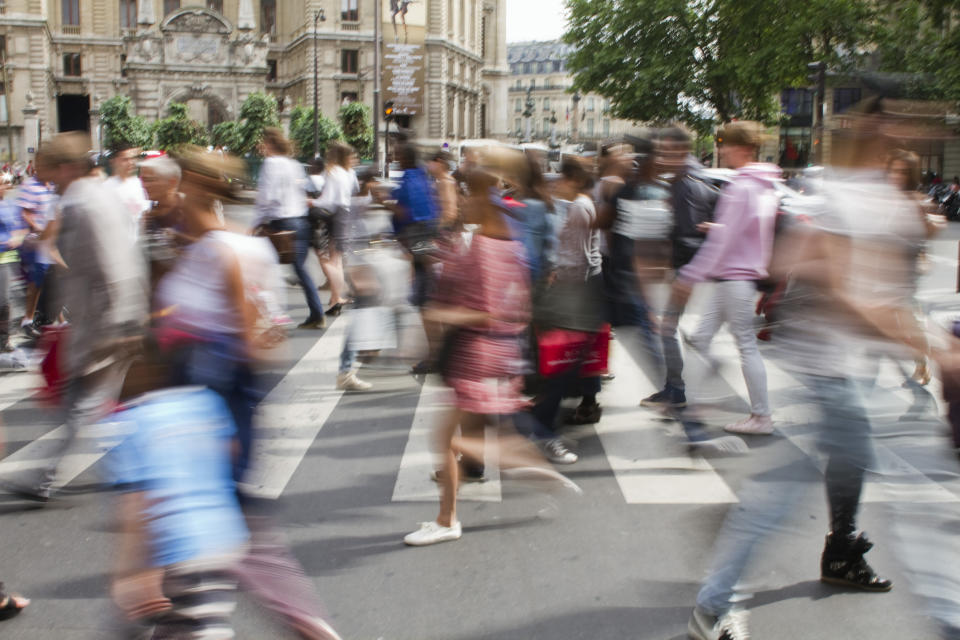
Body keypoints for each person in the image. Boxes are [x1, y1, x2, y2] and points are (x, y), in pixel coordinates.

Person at [687, 105, 952, 640]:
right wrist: (928, 343)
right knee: (903, 494)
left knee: (847, 483)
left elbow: (794, 262)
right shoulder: (844, 197)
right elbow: (836, 284)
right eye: (895, 128)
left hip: (848, 367)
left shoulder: (852, 196)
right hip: (834, 369)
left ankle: (738, 588)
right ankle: (717, 598)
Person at [404, 156, 579, 547]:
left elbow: (485, 311)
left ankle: (449, 518)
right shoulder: (509, 245)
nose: (462, 202)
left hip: (475, 354)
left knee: (452, 441)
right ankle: (526, 476)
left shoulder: (483, 248)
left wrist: (440, 311)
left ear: (481, 199)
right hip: (501, 352)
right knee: (475, 437)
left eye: (466, 195)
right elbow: (518, 306)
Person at [3, 132, 148, 502]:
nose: (45, 177)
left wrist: (125, 324)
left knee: (83, 404)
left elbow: (114, 264)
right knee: (87, 403)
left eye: (49, 169)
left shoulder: (85, 203)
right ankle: (51, 477)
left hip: (106, 322)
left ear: (66, 167)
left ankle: (48, 477)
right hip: (103, 319)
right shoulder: (89, 197)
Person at [671, 121, 779, 435]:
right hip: (736, 276)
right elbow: (747, 232)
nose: (721, 149)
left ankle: (761, 416)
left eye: (726, 144)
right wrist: (718, 229)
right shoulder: (762, 185)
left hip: (733, 278)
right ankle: (694, 404)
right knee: (701, 339)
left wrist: (689, 276)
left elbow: (724, 242)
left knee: (744, 345)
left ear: (744, 148)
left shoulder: (743, 187)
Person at [641, 126, 721, 412]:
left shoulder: (683, 185)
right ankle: (691, 374)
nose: (665, 157)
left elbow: (687, 232)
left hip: (686, 268)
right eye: (663, 151)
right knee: (674, 328)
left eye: (671, 151)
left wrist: (680, 274)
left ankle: (676, 389)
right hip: (698, 268)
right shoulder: (693, 179)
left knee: (666, 328)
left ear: (684, 152)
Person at [254, 127, 327, 329]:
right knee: (301, 271)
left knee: (263, 268)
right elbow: (301, 190)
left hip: (280, 223)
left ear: (269, 144)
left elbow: (267, 197)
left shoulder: (270, 163)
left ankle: (271, 317)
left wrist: (256, 223)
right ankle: (316, 314)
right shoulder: (294, 164)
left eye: (264, 143)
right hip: (301, 222)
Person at [379, 143, 440, 373]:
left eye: (397, 155)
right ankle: (435, 351)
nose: (395, 158)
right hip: (425, 238)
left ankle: (435, 355)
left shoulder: (409, 179)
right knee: (426, 292)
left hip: (418, 239)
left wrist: (383, 202)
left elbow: (405, 212)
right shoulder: (421, 177)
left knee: (426, 297)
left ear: (405, 157)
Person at [311, 141, 356, 316]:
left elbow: (327, 201)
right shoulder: (347, 172)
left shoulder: (333, 172)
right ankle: (336, 297)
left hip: (334, 215)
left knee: (327, 259)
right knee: (336, 259)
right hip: (345, 213)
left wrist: (311, 202)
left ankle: (339, 296)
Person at [15, 151, 56, 337]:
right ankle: (28, 319)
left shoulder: (52, 186)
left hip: (51, 241)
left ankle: (53, 319)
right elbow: (25, 214)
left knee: (53, 281)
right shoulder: (30, 185)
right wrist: (40, 228)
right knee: (36, 283)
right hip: (35, 243)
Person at [104, 143, 150, 241]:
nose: (131, 163)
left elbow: (144, 214)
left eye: (133, 158)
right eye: (125, 159)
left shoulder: (138, 184)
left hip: (138, 244)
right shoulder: (106, 188)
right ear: (114, 161)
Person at [0, 174, 25, 352]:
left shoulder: (10, 205)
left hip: (8, 260)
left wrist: (18, 236)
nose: (7, 185)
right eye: (3, 183)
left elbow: (21, 226)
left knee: (5, 302)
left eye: (7, 183)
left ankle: (4, 340)